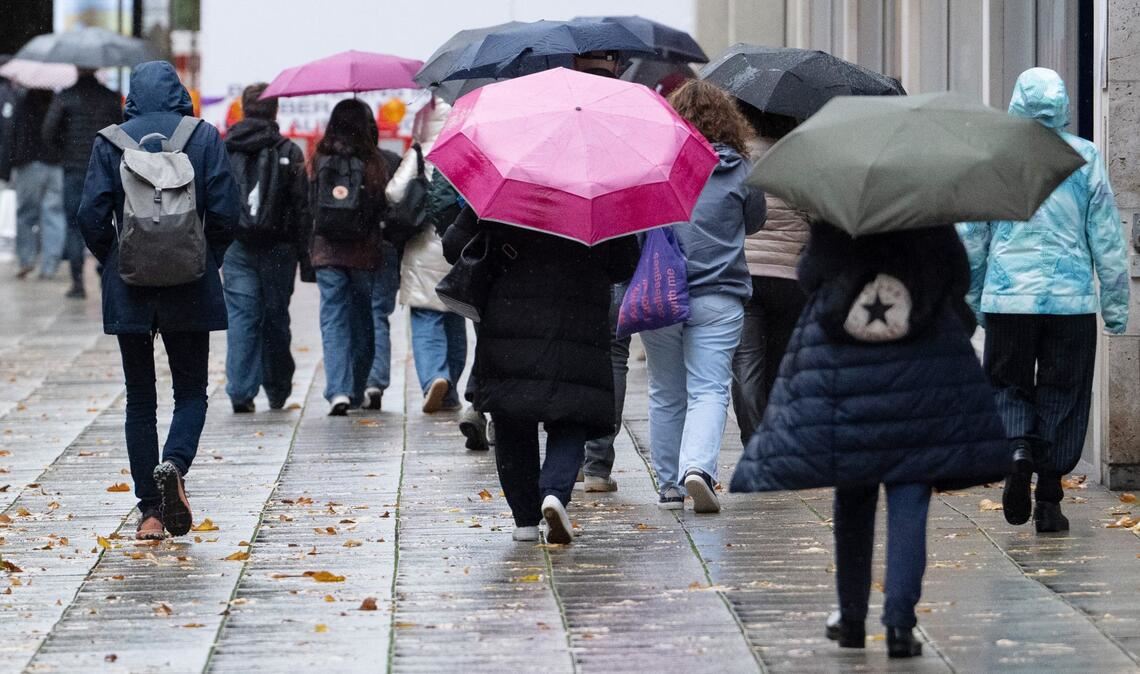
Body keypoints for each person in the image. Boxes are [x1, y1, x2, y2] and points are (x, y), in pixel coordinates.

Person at [731, 221, 1010, 659]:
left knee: (853, 499)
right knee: (910, 497)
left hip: (847, 373)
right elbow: (958, 278)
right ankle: (900, 624)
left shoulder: (839, 217)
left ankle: (852, 617)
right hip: (921, 372)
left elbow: (809, 276)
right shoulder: (929, 217)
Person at [959, 67, 1130, 533]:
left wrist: (975, 299)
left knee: (1006, 385)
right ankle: (1050, 498)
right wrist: (1116, 306)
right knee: (1066, 394)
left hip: (1009, 298)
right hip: (1070, 302)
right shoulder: (1083, 157)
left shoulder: (993, 157)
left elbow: (972, 235)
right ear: (1063, 107)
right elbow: (1107, 239)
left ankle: (1017, 449)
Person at [78, 61, 239, 540]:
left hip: (130, 288)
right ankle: (174, 464)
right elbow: (227, 211)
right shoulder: (203, 136)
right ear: (179, 94)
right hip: (190, 282)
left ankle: (151, 510)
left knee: (140, 399)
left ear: (132, 96)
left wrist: (117, 259)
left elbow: (89, 214)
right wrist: (205, 257)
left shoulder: (110, 141)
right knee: (191, 390)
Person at [442, 207, 639, 544]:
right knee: (572, 412)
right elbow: (623, 263)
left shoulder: (506, 187)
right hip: (578, 318)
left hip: (509, 313)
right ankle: (555, 493)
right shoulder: (594, 192)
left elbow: (452, 245)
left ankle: (525, 520)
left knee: (511, 414)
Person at [642, 80, 765, 513]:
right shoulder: (742, 170)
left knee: (665, 391)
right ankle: (698, 469)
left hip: (660, 293)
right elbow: (755, 223)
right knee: (709, 389)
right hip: (719, 294)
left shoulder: (658, 164)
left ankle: (669, 485)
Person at [222, 83, 310, 413]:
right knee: (275, 316)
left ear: (243, 109)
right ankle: (277, 388)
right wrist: (306, 257)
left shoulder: (226, 148)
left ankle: (241, 391)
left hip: (237, 244)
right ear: (275, 111)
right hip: (279, 247)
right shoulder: (289, 151)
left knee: (242, 317)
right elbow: (302, 209)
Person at [731, 110, 810, 444]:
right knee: (781, 363)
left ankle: (754, 441)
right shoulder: (800, 158)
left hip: (744, 275)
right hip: (789, 278)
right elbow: (816, 212)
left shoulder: (736, 158)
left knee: (746, 366)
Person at [386, 96, 466, 414]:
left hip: (422, 246)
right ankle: (452, 389)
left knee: (426, 317)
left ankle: (435, 377)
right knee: (455, 317)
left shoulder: (420, 153)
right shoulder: (465, 150)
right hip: (458, 248)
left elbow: (393, 192)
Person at [309, 99, 388, 416]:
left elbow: (309, 205)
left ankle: (338, 390)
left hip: (327, 251)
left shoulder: (319, 158)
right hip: (363, 252)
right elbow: (381, 205)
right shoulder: (373, 161)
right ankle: (356, 387)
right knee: (362, 320)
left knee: (333, 321)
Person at [42, 68, 122, 299]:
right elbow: (121, 130)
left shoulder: (64, 97)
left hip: (75, 170)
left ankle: (77, 282)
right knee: (108, 221)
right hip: (106, 168)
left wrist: (64, 152)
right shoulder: (110, 97)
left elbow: (48, 131)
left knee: (74, 226)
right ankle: (104, 268)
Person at [9, 88, 65, 280]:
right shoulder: (59, 101)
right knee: (54, 214)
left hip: (28, 162)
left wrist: (9, 164)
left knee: (26, 214)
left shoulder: (23, 102)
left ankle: (26, 259)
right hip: (55, 164)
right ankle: (50, 265)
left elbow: (12, 132)